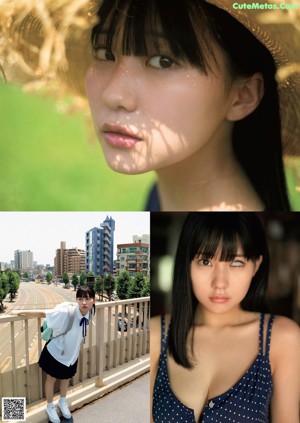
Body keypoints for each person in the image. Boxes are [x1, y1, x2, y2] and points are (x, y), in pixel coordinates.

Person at [1, 0, 300, 211]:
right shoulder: (164, 196)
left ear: (243, 96)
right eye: (105, 52)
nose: (114, 95)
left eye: (163, 61)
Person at [150, 213, 300, 422]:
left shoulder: (281, 338)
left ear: (255, 266)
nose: (220, 283)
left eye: (236, 263)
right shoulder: (155, 335)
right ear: (187, 264)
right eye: (205, 261)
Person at [10, 285, 96, 423]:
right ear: (76, 300)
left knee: (65, 378)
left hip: (71, 356)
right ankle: (49, 406)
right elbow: (45, 313)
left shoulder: (90, 312)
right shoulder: (67, 313)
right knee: (51, 379)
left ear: (94, 300)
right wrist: (20, 311)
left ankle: (62, 402)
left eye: (87, 298)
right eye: (80, 299)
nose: (83, 302)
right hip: (56, 353)